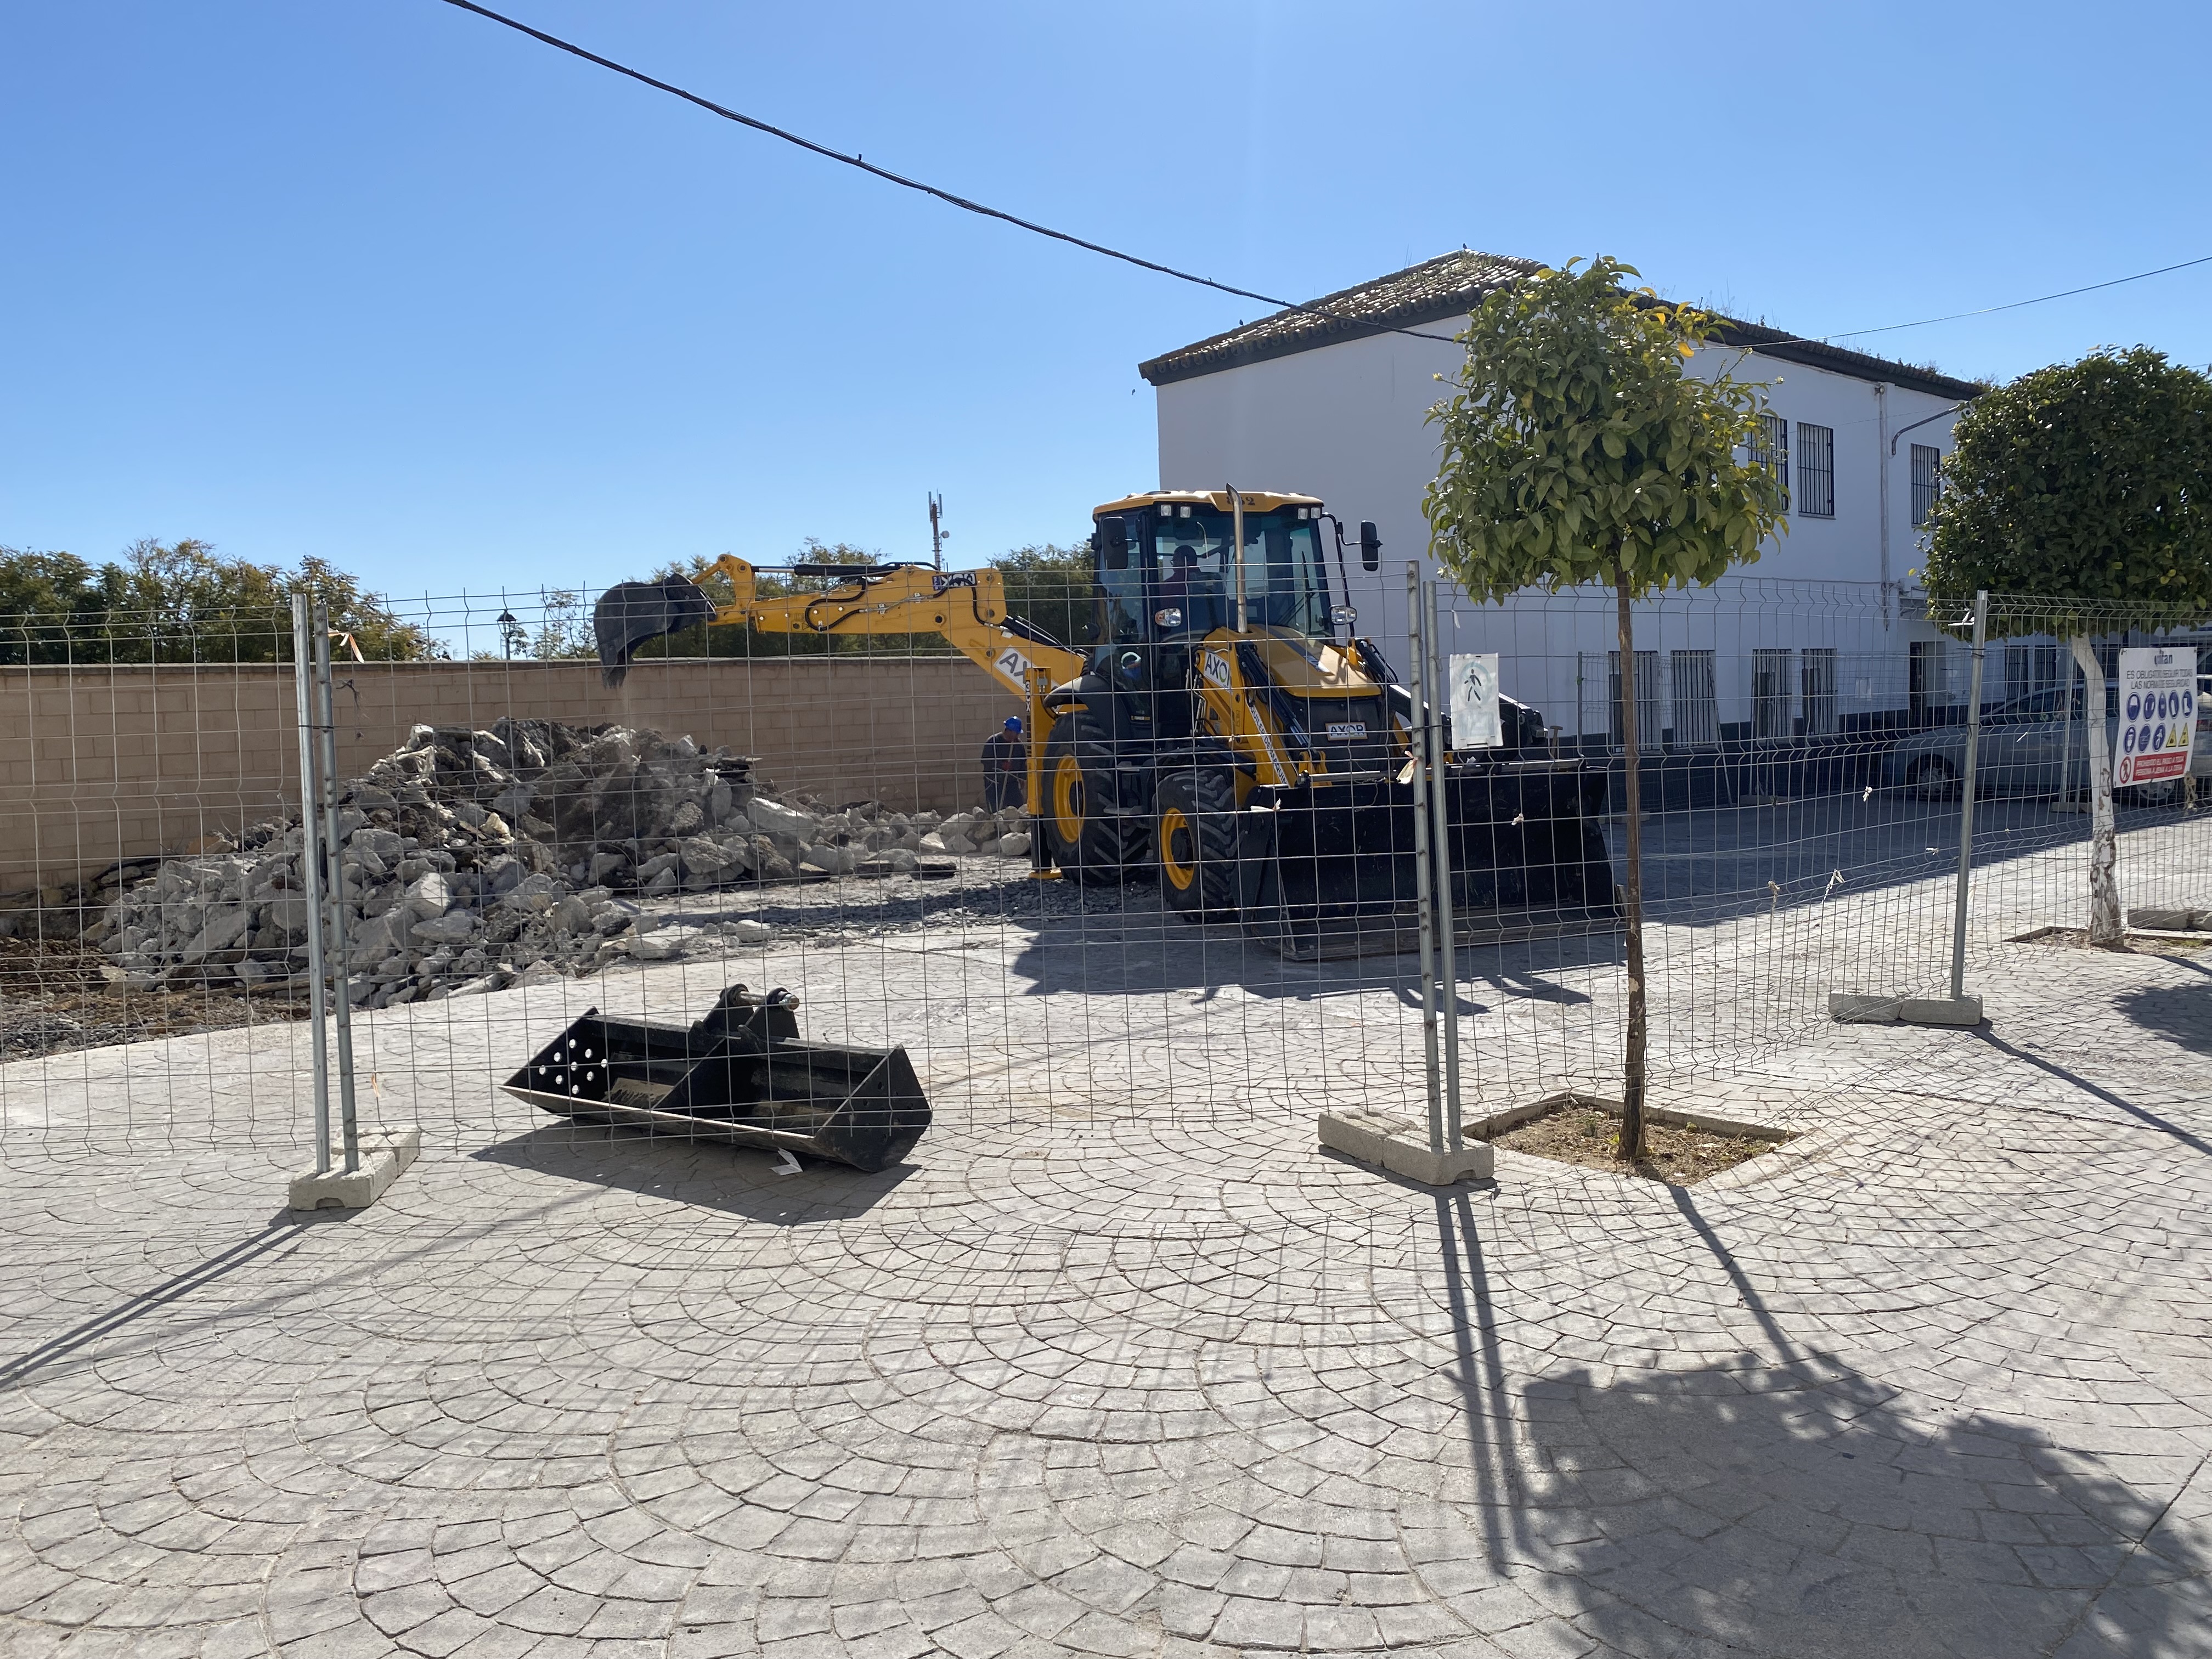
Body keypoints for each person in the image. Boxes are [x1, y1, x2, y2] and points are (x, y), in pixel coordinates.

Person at [980, 715, 1026, 810]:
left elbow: (1023, 763)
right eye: (1016, 733)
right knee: (996, 810)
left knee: (1018, 809)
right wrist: (1001, 765)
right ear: (1009, 731)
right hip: (995, 783)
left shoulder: (1018, 745)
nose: (1018, 735)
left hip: (1012, 782)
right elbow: (986, 761)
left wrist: (1022, 778)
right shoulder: (993, 742)